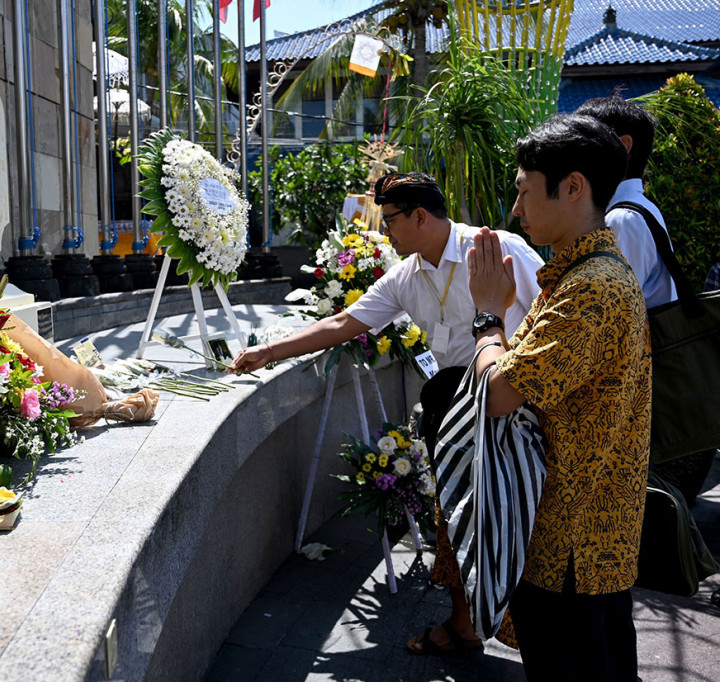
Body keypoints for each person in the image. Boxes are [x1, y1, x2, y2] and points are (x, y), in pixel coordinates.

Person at [229, 171, 545, 654]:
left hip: (515, 407)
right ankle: (463, 624)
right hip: (456, 416)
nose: (387, 232)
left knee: (520, 522)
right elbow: (343, 322)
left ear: (420, 216)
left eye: (391, 219)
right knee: (457, 518)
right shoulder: (406, 275)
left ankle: (543, 639)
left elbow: (550, 314)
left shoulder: (496, 248)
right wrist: (270, 351)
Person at [468, 114, 650, 681]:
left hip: (574, 543)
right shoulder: (578, 275)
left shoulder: (592, 288)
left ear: (573, 187)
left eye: (524, 190)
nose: (516, 208)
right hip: (575, 534)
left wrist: (485, 317)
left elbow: (499, 392)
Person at [575, 95, 677, 308]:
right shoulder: (636, 209)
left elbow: (611, 310)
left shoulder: (623, 219)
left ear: (622, 146)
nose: (573, 154)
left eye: (583, 142)